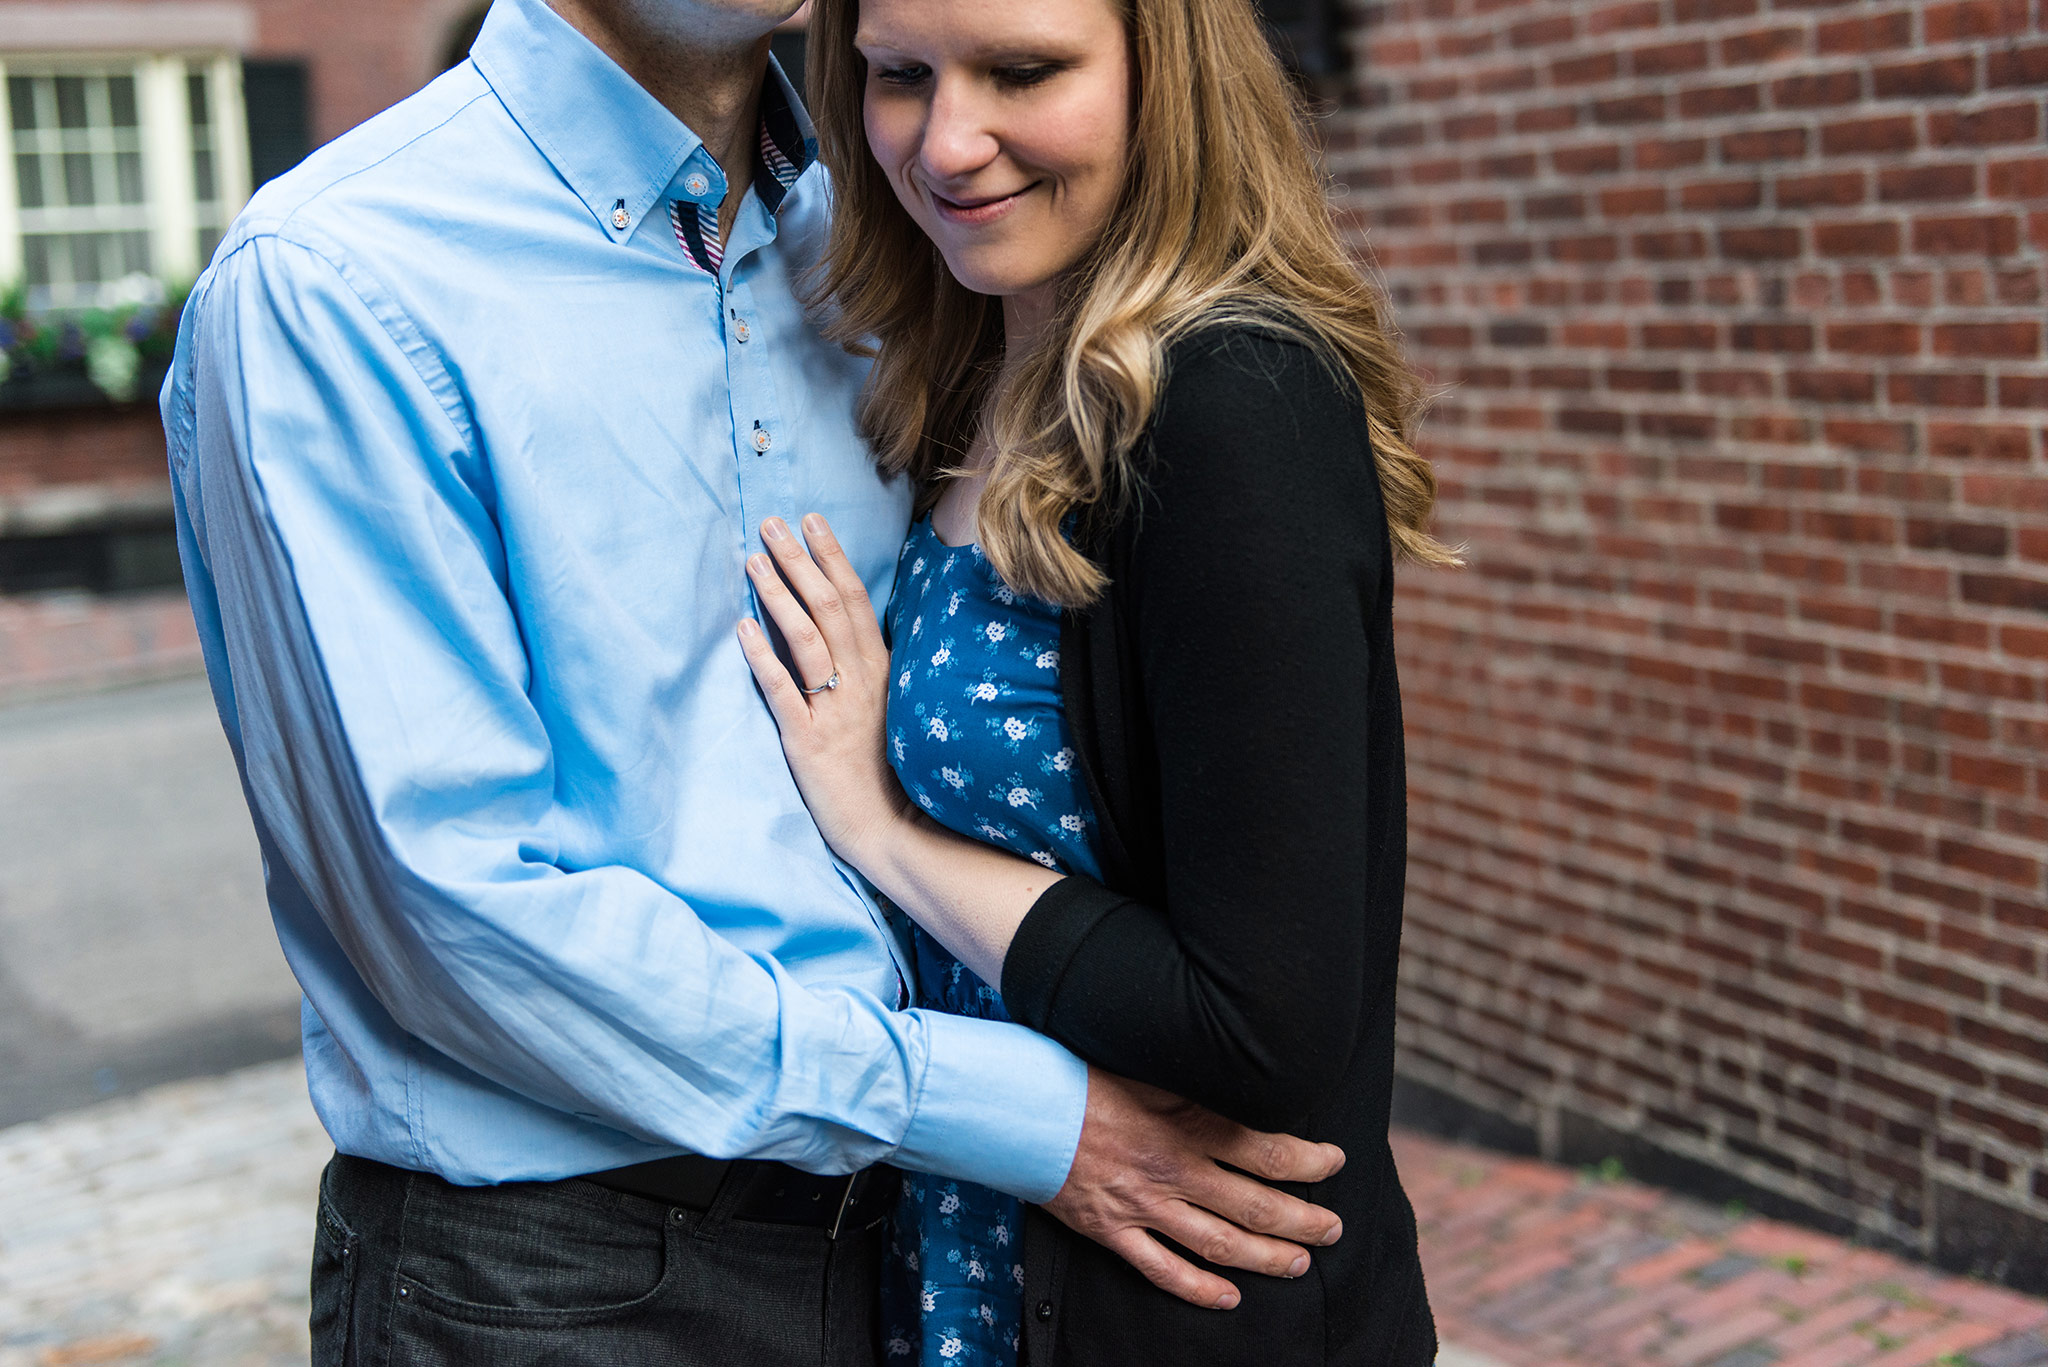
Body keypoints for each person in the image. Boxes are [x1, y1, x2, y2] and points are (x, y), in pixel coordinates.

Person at [161, 0, 1351, 1362]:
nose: (957, 120)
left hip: (921, 1254)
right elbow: (449, 907)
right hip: (564, 1279)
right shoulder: (337, 281)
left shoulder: (899, 239)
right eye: (915, 75)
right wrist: (1011, 1112)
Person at [731, 0, 1456, 1361]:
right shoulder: (969, 373)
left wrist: (882, 830)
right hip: (972, 1261)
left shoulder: (1233, 402)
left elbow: (1263, 1023)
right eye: (899, 77)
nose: (949, 144)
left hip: (1181, 1304)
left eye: (1022, 70)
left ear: (1161, 71)